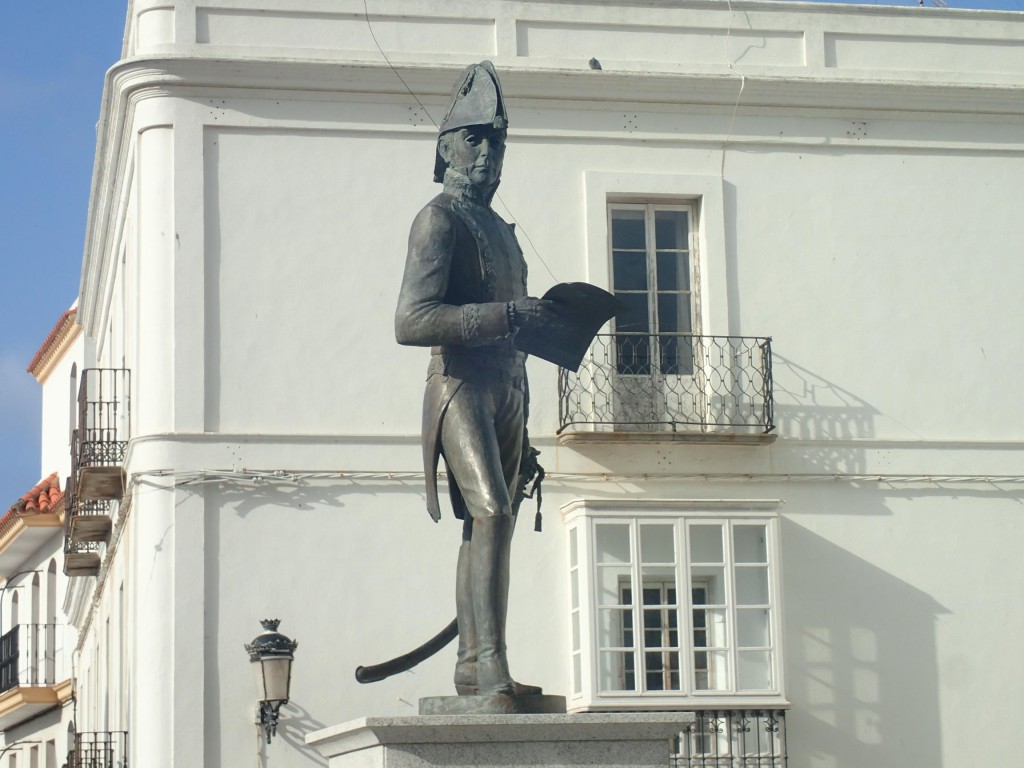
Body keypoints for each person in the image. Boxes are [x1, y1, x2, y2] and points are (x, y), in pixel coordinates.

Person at [395, 61, 555, 697]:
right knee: (490, 512)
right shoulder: (438, 220)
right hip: (459, 381)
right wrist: (504, 314)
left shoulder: (501, 231)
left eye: (496, 141)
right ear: (445, 147)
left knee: (497, 518)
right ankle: (488, 663)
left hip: (509, 388)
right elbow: (411, 320)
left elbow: (513, 325)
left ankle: (473, 663)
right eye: (474, 138)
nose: (487, 151)